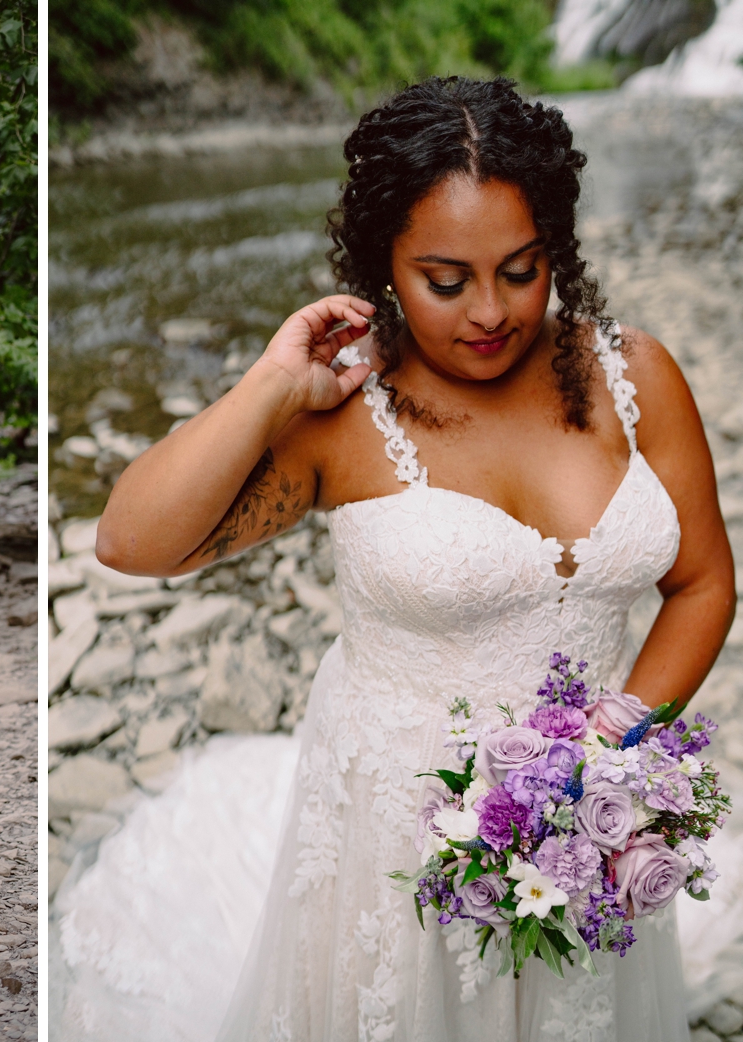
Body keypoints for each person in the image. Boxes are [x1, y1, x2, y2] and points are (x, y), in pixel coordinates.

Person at [59, 77, 736, 1041]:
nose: (490, 312)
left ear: (560, 249)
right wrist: (270, 385)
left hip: (586, 817)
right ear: (384, 266)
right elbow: (131, 541)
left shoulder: (637, 378)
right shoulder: (348, 417)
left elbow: (703, 583)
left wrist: (609, 746)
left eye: (522, 267)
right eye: (445, 281)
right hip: (398, 825)